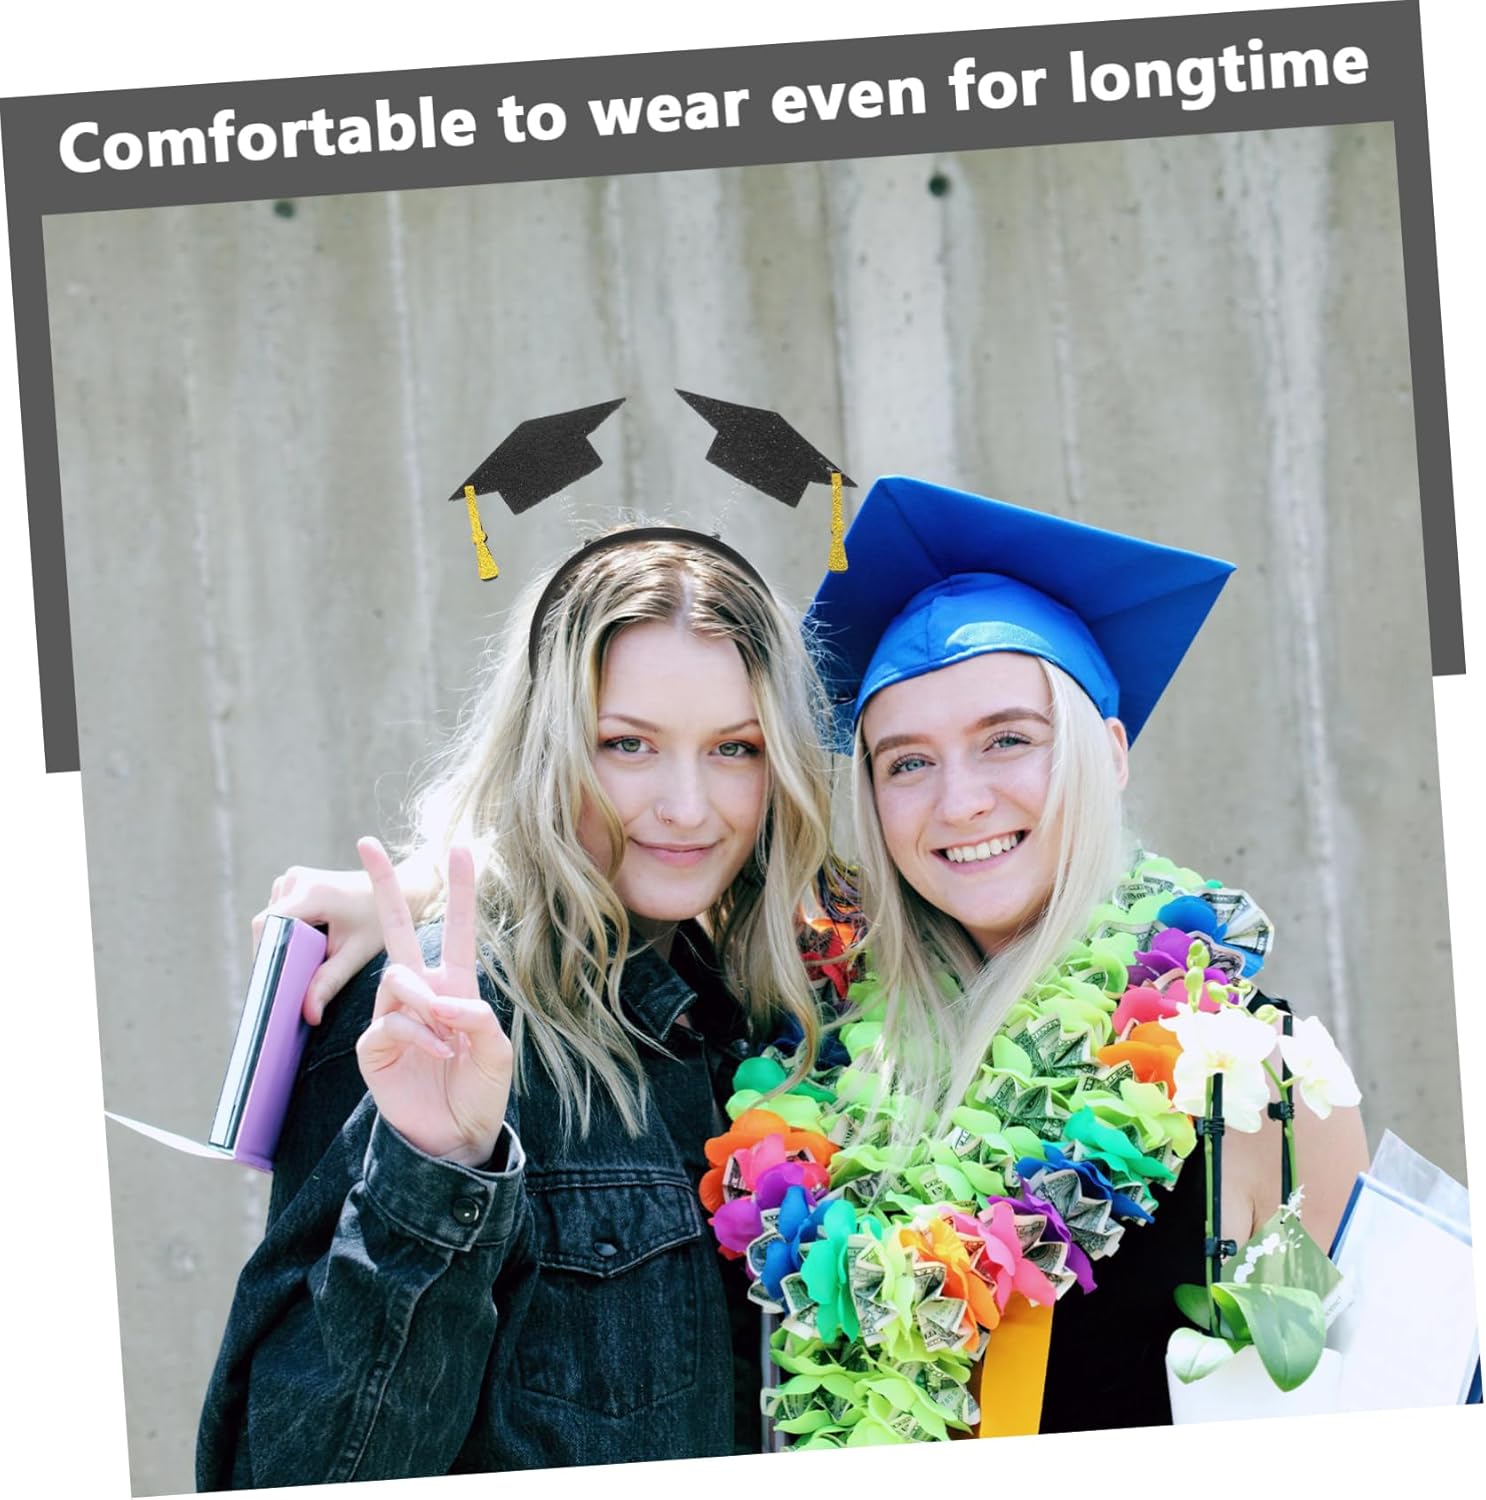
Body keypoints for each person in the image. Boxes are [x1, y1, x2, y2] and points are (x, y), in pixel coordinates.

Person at [196, 530, 838, 1486]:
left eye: (734, 749)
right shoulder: (433, 1017)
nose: (687, 806)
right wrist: (434, 1171)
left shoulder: (766, 1016)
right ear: (548, 748)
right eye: (627, 745)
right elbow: (285, 1473)